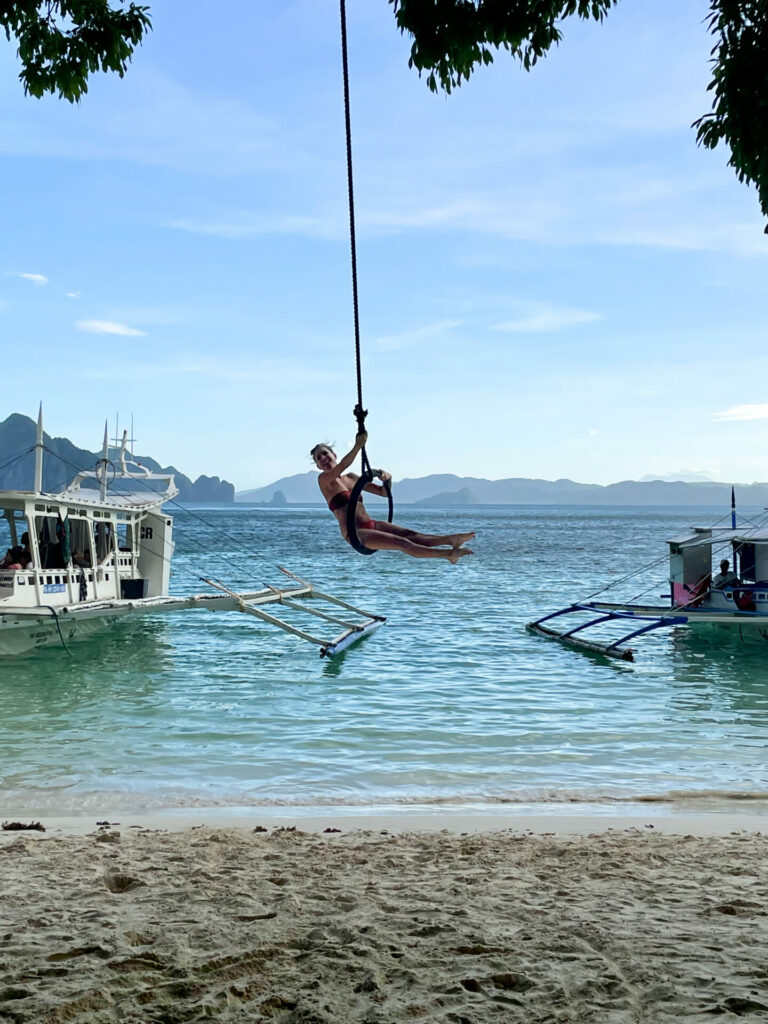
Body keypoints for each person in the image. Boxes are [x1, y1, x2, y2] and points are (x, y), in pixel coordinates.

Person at [311, 432, 474, 563]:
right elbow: (342, 466)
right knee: (402, 543)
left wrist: (388, 478)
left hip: (371, 524)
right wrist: (357, 446)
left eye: (325, 454)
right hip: (356, 533)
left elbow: (383, 492)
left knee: (410, 535)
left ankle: (452, 539)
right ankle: (447, 554)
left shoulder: (352, 478)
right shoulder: (324, 481)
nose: (323, 459)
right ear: (318, 466)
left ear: (334, 454)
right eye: (319, 458)